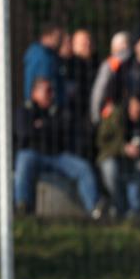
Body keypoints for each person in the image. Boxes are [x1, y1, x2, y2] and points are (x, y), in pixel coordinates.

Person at [14, 78, 100, 217]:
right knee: (23, 160)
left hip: (57, 156)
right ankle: (23, 206)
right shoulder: (25, 109)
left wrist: (42, 126)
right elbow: (24, 133)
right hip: (34, 153)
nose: (51, 94)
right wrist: (48, 128)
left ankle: (95, 209)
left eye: (52, 90)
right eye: (47, 90)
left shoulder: (58, 110)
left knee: (83, 168)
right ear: (35, 92)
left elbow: (64, 130)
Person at [95, 95, 140, 216]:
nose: (138, 114)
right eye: (137, 110)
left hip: (134, 162)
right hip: (112, 157)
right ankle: (116, 207)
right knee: (111, 169)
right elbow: (101, 141)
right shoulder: (115, 115)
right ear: (131, 103)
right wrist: (123, 148)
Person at [61, 29, 98, 154]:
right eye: (83, 43)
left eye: (89, 41)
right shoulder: (68, 67)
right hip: (75, 121)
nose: (87, 45)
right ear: (74, 45)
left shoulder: (99, 65)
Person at [90, 31, 132, 125]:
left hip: (113, 114)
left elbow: (99, 91)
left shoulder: (111, 64)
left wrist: (95, 116)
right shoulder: (137, 62)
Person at [23, 23, 66, 107]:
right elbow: (33, 78)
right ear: (47, 36)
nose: (60, 41)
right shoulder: (39, 54)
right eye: (57, 37)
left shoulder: (52, 55)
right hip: (41, 104)